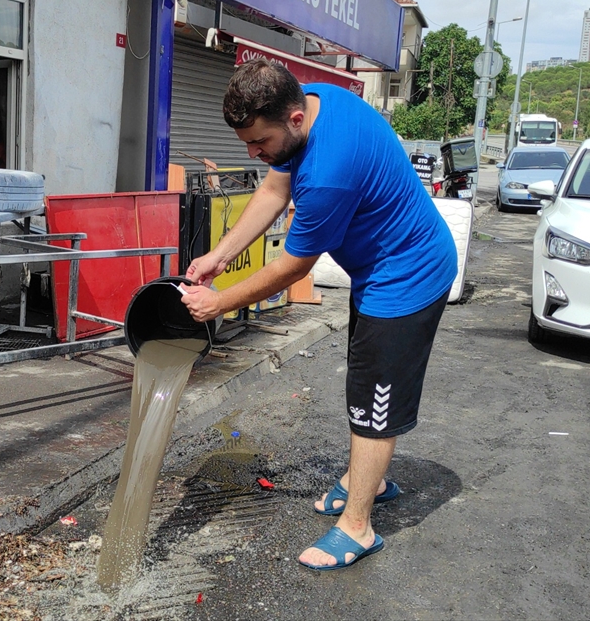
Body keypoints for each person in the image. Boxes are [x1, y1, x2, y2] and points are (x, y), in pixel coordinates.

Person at [179, 59, 457, 571]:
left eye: (258, 143)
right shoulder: (309, 98)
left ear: (293, 120)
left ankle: (358, 526)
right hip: (377, 270)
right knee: (364, 379)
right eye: (246, 144)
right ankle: (366, 478)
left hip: (407, 276)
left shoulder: (329, 170)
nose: (253, 153)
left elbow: (294, 266)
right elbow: (272, 189)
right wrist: (221, 255)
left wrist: (219, 302)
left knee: (374, 402)